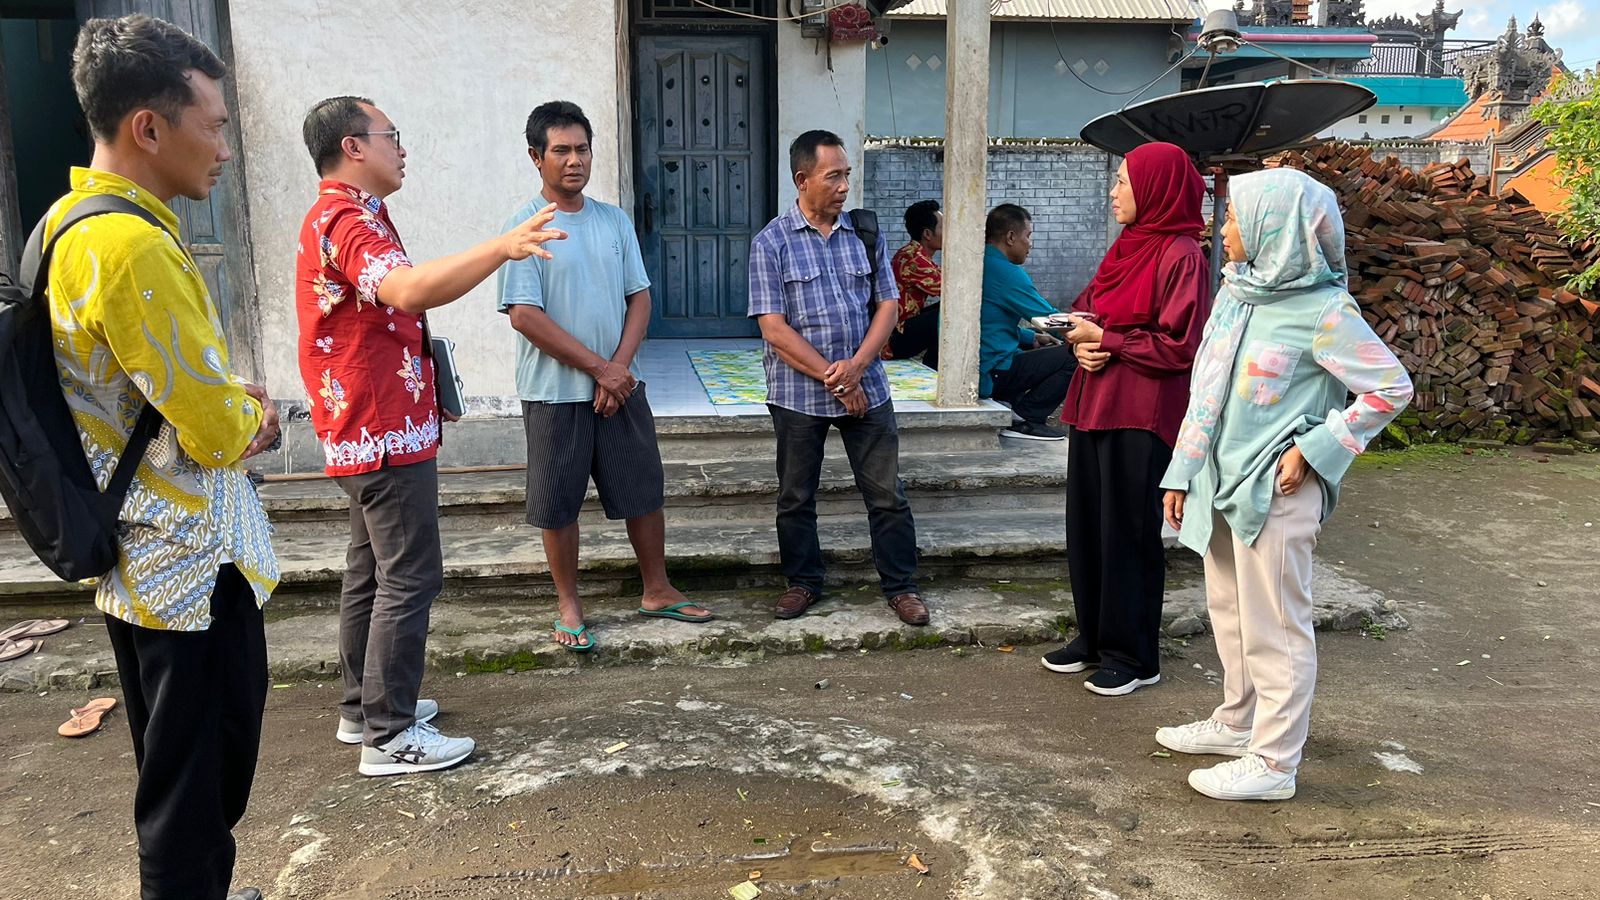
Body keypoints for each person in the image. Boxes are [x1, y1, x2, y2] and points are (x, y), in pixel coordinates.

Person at [51, 15, 278, 899]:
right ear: (150, 127)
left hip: (137, 553)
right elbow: (216, 431)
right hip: (186, 560)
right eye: (215, 124)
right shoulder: (134, 245)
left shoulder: (70, 225)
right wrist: (252, 412)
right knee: (195, 783)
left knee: (176, 767)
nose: (224, 146)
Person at [296, 96, 564, 776]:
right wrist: (502, 247)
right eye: (392, 135)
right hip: (380, 428)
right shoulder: (347, 219)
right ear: (354, 147)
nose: (403, 147)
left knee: (372, 568)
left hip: (371, 423)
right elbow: (409, 291)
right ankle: (389, 736)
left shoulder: (352, 215)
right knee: (410, 572)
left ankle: (364, 708)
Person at [1156, 168, 1413, 801]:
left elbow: (1391, 388)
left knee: (1277, 627)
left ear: (1277, 228)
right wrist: (1183, 471)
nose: (1225, 228)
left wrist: (1316, 448)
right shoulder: (1236, 295)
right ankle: (1238, 722)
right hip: (1219, 486)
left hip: (1278, 490)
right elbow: (1206, 393)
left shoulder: (1325, 310)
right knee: (1232, 615)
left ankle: (1273, 763)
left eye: (1236, 218)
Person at [498, 100, 712, 651]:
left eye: (582, 149)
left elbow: (638, 297)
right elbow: (525, 316)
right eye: (561, 150)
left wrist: (618, 370)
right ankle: (569, 603)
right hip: (555, 393)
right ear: (535, 157)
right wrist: (600, 369)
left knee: (643, 489)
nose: (574, 161)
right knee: (557, 501)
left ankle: (658, 589)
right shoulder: (526, 229)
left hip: (621, 389)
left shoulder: (613, 220)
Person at [1042, 142, 1211, 696]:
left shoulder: (1182, 254)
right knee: (1088, 528)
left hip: (1142, 414)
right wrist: (1078, 347)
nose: (1113, 192)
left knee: (1129, 535)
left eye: (1123, 182)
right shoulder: (1127, 247)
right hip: (1094, 404)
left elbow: (1182, 345)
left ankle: (1134, 655)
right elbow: (1086, 310)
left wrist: (1106, 340)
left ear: (1157, 188)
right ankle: (1092, 638)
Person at [748, 130, 927, 626]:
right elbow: (774, 330)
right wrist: (838, 379)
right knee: (795, 496)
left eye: (847, 174)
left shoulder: (865, 233)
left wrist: (858, 369)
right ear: (803, 180)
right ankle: (803, 582)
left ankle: (901, 587)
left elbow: (887, 306)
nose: (846, 185)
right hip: (798, 393)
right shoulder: (771, 243)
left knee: (887, 494)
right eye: (835, 176)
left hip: (867, 385)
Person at [980, 203, 1077, 441]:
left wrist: (1030, 337)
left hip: (977, 365)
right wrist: (1094, 335)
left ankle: (1013, 405)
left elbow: (987, 322)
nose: (1030, 244)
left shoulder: (979, 262)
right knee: (1075, 354)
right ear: (1011, 237)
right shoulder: (1006, 273)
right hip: (990, 373)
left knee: (1037, 337)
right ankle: (1026, 417)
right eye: (1028, 236)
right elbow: (1050, 319)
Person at [884, 199, 942, 368]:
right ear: (927, 234)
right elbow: (955, 289)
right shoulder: (914, 259)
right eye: (943, 228)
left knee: (946, 310)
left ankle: (934, 365)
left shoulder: (913, 253)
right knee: (952, 313)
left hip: (902, 329)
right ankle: (936, 367)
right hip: (894, 338)